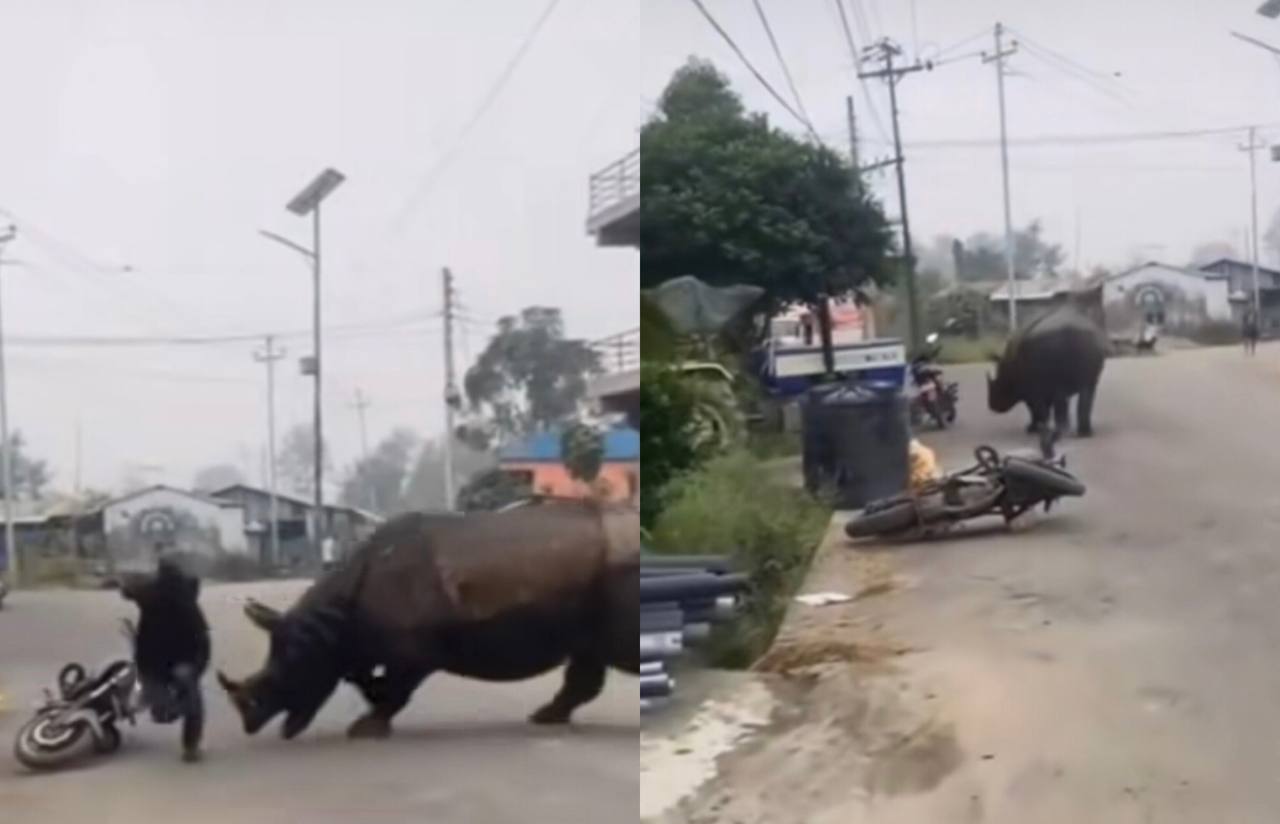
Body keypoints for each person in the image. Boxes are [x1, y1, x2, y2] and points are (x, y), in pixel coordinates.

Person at [120, 557, 210, 763]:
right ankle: (190, 745)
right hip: (178, 659)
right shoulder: (187, 599)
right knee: (189, 703)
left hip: (158, 661)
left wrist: (123, 582)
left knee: (172, 704)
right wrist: (196, 668)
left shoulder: (152, 595)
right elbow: (203, 642)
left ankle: (189, 742)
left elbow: (127, 591)